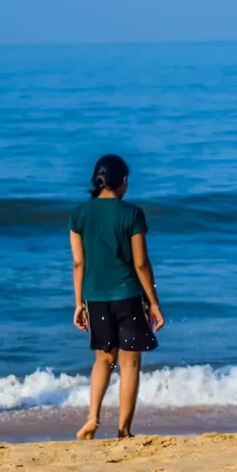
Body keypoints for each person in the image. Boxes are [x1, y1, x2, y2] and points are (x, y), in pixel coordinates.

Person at [69, 154, 165, 440]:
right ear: (123, 181)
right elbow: (141, 264)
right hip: (128, 295)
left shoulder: (79, 214)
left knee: (103, 359)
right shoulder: (132, 213)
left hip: (94, 297)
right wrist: (154, 303)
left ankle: (92, 417)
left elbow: (78, 263)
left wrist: (79, 303)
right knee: (130, 363)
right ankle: (123, 430)